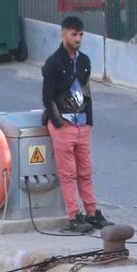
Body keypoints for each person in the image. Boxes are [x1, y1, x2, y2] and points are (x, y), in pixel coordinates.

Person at [42, 16, 108, 233]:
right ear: (63, 34)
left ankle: (92, 212)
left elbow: (87, 92)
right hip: (65, 124)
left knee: (86, 172)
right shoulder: (53, 63)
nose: (77, 39)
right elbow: (47, 98)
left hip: (82, 124)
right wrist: (59, 124)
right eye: (73, 34)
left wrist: (89, 122)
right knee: (68, 173)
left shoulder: (84, 61)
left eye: (80, 34)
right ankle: (74, 215)